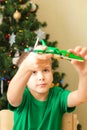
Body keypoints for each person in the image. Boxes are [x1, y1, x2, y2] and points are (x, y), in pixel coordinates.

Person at [7, 45, 87, 130]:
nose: (41, 77)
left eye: (45, 70)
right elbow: (12, 98)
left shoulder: (58, 96)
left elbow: (81, 97)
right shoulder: (24, 96)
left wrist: (84, 74)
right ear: (25, 79)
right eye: (33, 72)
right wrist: (26, 66)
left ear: (52, 73)